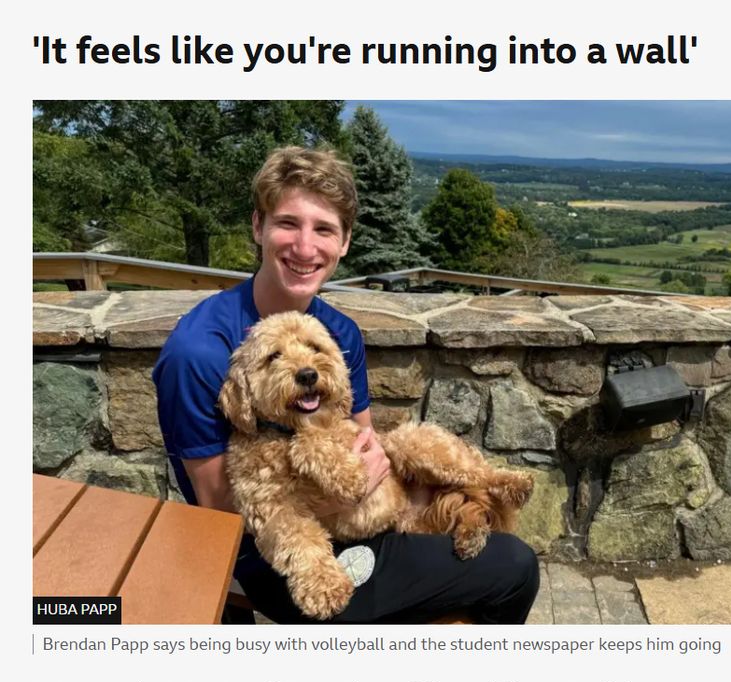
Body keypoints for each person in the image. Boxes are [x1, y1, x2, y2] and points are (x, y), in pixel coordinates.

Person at [153, 145, 539, 624]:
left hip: (363, 518)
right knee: (515, 568)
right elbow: (221, 509)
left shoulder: (339, 334)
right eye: (288, 223)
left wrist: (398, 484)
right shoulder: (199, 353)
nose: (305, 247)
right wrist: (332, 498)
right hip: (275, 550)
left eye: (324, 229)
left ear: (345, 242)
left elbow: (362, 443)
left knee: (487, 553)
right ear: (258, 226)